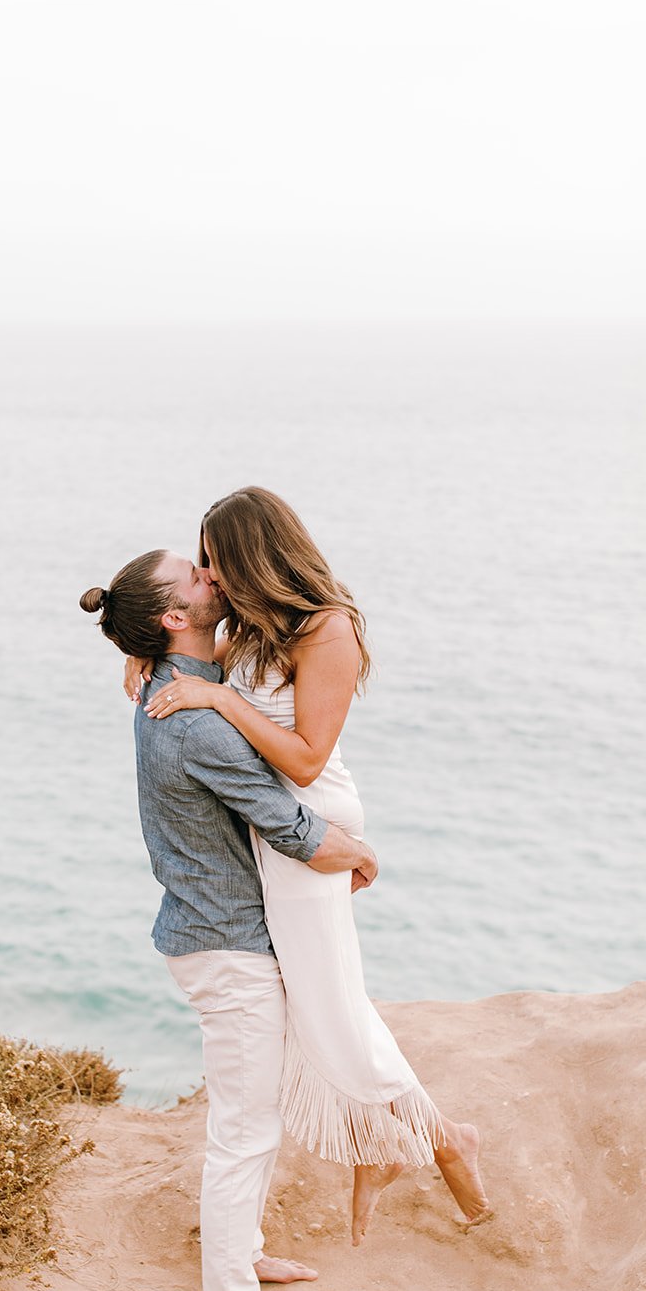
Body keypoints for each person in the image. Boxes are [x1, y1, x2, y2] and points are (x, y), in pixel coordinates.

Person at [130, 488, 490, 1247]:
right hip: (280, 826)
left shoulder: (329, 630)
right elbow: (192, 656)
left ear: (253, 553)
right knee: (323, 1000)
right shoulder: (262, 626)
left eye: (212, 558)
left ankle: (437, 1138)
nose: (207, 574)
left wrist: (218, 704)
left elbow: (303, 756)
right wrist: (144, 651)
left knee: (325, 1003)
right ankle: (403, 1140)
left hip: (312, 819)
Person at [80, 549, 379, 1291]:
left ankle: (240, 1254)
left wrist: (143, 651)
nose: (216, 580)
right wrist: (354, 852)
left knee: (251, 1122)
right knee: (242, 1137)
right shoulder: (195, 720)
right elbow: (283, 819)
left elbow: (150, 666)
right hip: (228, 946)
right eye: (198, 578)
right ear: (175, 617)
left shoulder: (158, 685)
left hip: (212, 932)